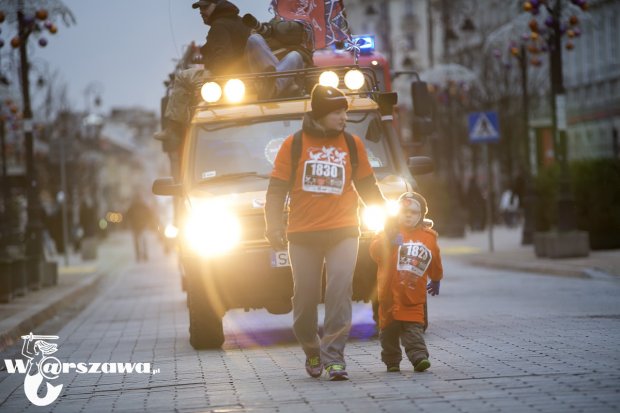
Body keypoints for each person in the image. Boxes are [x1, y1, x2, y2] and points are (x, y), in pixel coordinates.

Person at [264, 85, 385, 381]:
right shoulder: (293, 145)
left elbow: (369, 187)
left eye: (345, 111)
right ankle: (311, 349)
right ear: (320, 114)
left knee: (339, 292)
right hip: (303, 235)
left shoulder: (353, 144)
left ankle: (334, 357)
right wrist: (273, 226)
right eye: (337, 112)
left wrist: (387, 219)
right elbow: (276, 192)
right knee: (304, 299)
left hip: (344, 231)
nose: (344, 116)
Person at [157, 0, 307, 148]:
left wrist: (212, 69)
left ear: (217, 5)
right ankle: (277, 85)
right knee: (295, 56)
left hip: (227, 76)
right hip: (251, 75)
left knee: (183, 76)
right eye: (199, 8)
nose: (201, 11)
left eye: (205, 7)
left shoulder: (218, 26)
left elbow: (222, 59)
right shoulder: (241, 22)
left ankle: (174, 129)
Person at [369, 192, 443, 373]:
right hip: (388, 295)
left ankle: (419, 357)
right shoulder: (387, 233)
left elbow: (434, 260)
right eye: (404, 211)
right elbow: (375, 253)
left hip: (413, 295)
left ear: (422, 215)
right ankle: (392, 361)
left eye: (414, 212)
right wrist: (388, 240)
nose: (408, 215)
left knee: (413, 329)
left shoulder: (428, 237)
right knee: (388, 332)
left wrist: (436, 278)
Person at [125, 195, 155, 262]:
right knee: (141, 241)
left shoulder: (135, 206)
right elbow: (150, 214)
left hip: (138, 226)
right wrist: (148, 221)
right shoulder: (141, 206)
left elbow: (127, 215)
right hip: (139, 226)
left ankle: (140, 255)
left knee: (139, 241)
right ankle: (142, 255)